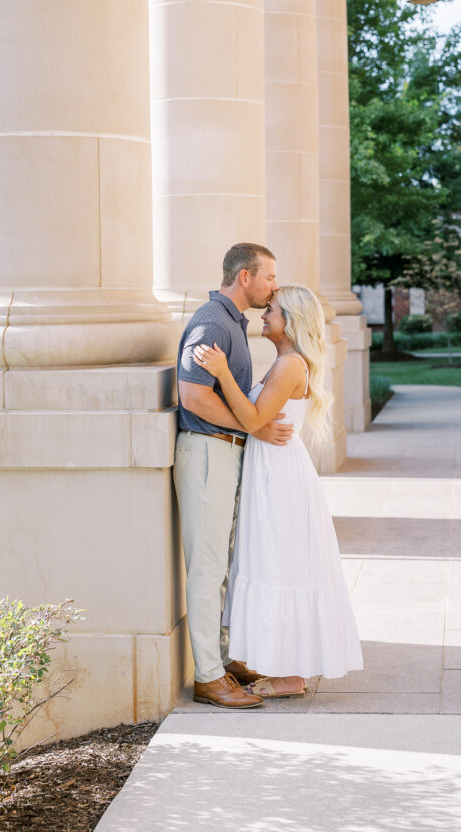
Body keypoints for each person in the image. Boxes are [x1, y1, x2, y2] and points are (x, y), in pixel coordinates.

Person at [194, 284, 363, 698]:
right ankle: (282, 667)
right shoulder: (285, 361)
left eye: (271, 310)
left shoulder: (291, 365)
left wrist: (221, 374)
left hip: (280, 479)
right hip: (271, 472)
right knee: (274, 563)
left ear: (291, 320)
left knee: (280, 565)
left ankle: (290, 676)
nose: (264, 315)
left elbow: (252, 419)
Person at [174, 242, 293, 709]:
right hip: (206, 454)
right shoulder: (211, 322)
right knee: (206, 569)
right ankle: (207, 677)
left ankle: (222, 661)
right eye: (269, 278)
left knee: (220, 567)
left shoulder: (230, 324)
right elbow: (194, 397)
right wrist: (254, 426)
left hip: (222, 454)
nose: (274, 287)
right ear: (244, 277)